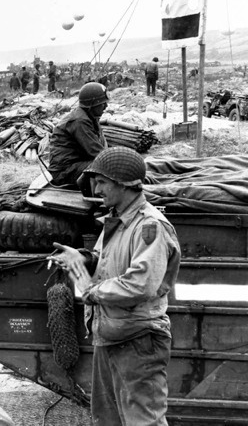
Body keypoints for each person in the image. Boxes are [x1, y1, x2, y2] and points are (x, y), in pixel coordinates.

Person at [49, 147, 180, 425]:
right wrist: (81, 258)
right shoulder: (118, 220)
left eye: (102, 182)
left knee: (143, 421)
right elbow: (105, 259)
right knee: (107, 420)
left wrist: (91, 291)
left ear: (124, 185)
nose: (96, 188)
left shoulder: (150, 226)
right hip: (110, 337)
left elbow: (140, 284)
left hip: (137, 341)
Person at [47, 82, 108, 187]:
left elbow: (101, 147)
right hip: (65, 172)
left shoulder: (89, 116)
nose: (106, 106)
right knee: (107, 167)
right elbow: (98, 153)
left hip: (75, 165)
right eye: (102, 104)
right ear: (92, 105)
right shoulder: (80, 121)